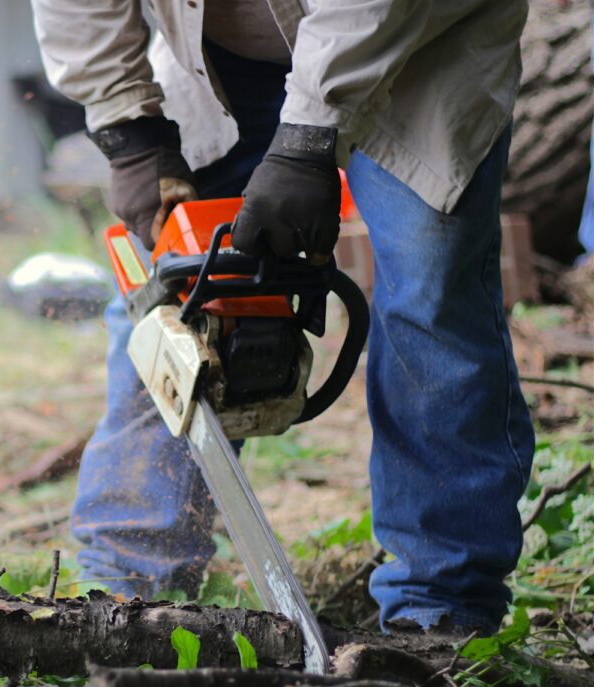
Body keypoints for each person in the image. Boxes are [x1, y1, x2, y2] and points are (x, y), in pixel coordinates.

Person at [30, 0, 536, 635]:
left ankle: (442, 607)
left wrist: (307, 141)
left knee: (431, 300)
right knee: (172, 298)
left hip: (416, 44)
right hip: (219, 60)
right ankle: (130, 591)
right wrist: (129, 132)